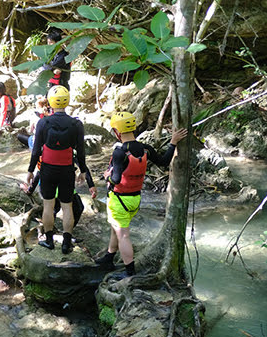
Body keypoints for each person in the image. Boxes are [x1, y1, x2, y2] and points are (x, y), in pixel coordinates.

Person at [95, 112, 188, 277]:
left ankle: (129, 272)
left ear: (117, 132)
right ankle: (109, 257)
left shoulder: (119, 153)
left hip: (119, 200)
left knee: (123, 235)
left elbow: (116, 179)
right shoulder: (146, 149)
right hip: (135, 199)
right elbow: (164, 161)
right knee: (116, 229)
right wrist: (173, 142)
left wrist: (107, 175)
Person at [25, 85, 96, 253]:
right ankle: (66, 243)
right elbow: (80, 150)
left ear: (50, 101)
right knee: (67, 206)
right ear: (67, 101)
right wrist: (83, 171)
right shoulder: (76, 124)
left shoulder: (43, 122)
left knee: (48, 205)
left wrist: (30, 170)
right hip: (67, 170)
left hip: (48, 170)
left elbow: (36, 150)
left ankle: (49, 241)